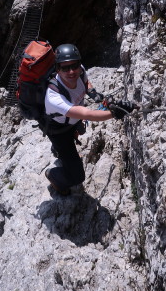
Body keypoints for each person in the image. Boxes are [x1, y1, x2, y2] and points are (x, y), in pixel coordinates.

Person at [43, 43, 133, 196]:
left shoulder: (80, 69)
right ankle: (53, 175)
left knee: (75, 133)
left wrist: (91, 91)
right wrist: (116, 113)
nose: (71, 71)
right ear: (57, 69)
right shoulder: (54, 96)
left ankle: (60, 151)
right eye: (65, 68)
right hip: (58, 130)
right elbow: (87, 114)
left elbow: (84, 79)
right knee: (77, 176)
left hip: (71, 122)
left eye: (74, 65)